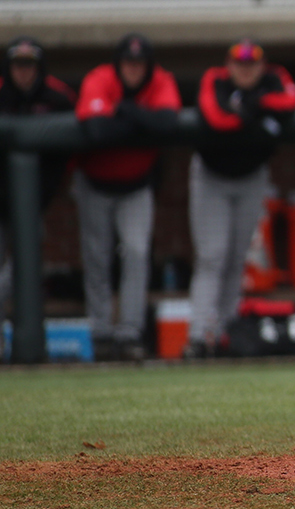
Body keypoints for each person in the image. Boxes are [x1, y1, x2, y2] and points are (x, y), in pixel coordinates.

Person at [190, 39, 295, 356]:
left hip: (251, 176)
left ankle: (226, 333)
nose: (246, 70)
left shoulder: (273, 79)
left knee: (237, 258)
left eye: (252, 64)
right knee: (212, 256)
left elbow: (290, 100)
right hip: (211, 176)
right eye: (240, 64)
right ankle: (199, 336)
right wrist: (255, 115)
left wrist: (252, 105)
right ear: (229, 65)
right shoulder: (215, 79)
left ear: (262, 66)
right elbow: (218, 118)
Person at [75, 33, 181, 361]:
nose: (133, 69)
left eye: (139, 64)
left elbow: (168, 125)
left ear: (148, 66)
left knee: (135, 254)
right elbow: (96, 131)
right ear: (117, 64)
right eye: (128, 63)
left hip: (136, 186)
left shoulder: (161, 81)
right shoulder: (99, 79)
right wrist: (141, 123)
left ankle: (129, 333)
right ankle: (101, 332)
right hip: (95, 183)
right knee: (98, 258)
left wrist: (126, 111)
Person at [0, 37, 77, 333]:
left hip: (34, 201)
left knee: (25, 266)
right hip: (0, 199)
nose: (24, 72)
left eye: (29, 65)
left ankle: (24, 335)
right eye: (18, 65)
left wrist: (42, 194)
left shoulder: (57, 98)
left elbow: (67, 156)